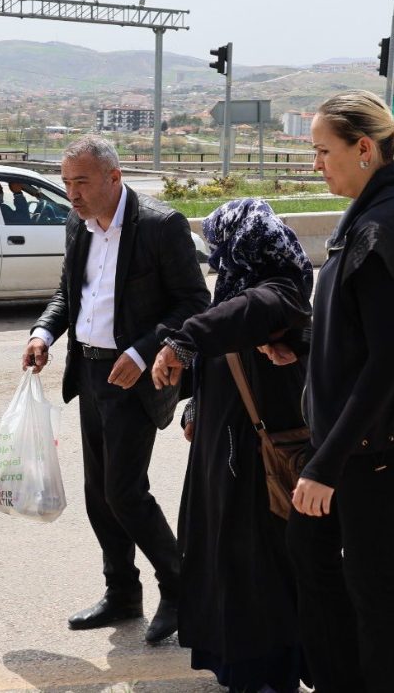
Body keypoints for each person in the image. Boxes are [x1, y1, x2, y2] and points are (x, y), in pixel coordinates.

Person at [268, 89, 394, 693]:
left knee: (375, 584)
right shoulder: (376, 212)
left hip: (377, 444)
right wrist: (303, 345)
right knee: (313, 555)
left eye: (324, 151)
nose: (316, 163)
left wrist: (325, 465)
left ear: (365, 149)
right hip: (362, 438)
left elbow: (389, 360)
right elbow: (362, 330)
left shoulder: (382, 227)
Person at [22, 135, 210, 644]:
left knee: (124, 492)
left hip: (136, 377)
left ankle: (181, 590)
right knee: (99, 495)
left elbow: (194, 302)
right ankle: (122, 592)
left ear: (114, 177)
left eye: (82, 182)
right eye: (66, 183)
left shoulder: (159, 225)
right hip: (89, 373)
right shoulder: (77, 224)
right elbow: (68, 294)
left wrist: (143, 351)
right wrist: (43, 334)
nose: (72, 194)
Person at [151, 198, 313, 693]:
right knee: (226, 566)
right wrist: (195, 407)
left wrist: (183, 340)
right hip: (224, 456)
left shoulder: (280, 289)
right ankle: (241, 670)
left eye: (221, 248)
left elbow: (247, 314)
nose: (218, 260)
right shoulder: (239, 290)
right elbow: (221, 355)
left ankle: (267, 677)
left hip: (255, 463)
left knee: (255, 572)